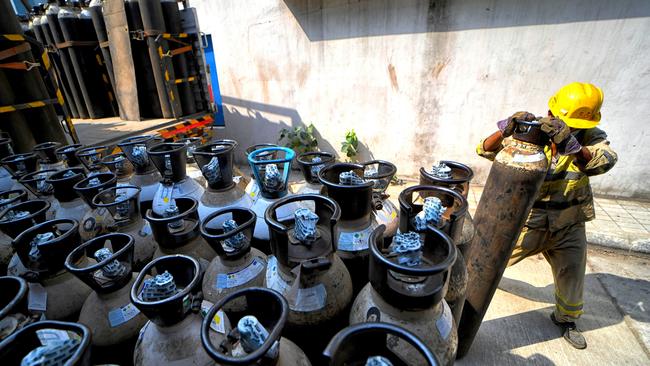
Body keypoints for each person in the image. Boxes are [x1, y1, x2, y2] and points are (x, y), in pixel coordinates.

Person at [476, 82, 618, 349]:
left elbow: (602, 161)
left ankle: (566, 319)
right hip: (529, 223)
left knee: (572, 276)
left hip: (568, 225)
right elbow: (484, 149)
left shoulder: (592, 139)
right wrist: (505, 128)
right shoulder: (534, 133)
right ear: (551, 112)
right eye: (566, 122)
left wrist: (572, 143)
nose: (571, 128)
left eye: (578, 126)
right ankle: (458, 300)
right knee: (483, 262)